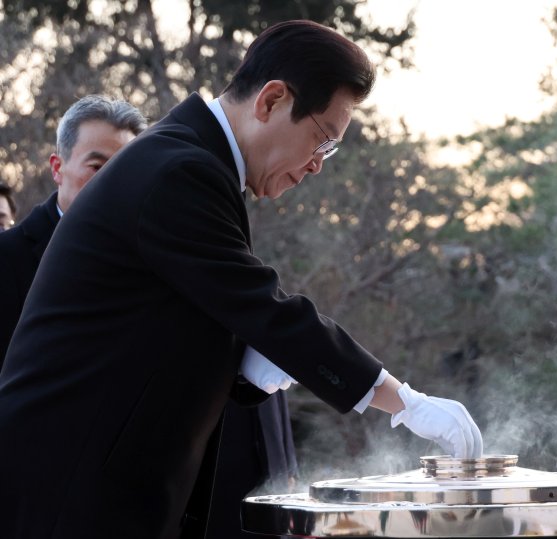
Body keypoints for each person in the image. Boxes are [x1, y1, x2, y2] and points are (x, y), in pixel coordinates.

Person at [0, 20, 482, 539]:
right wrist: (403, 401)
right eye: (322, 139)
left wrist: (242, 365)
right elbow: (267, 309)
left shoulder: (186, 159)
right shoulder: (180, 170)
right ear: (271, 100)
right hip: (68, 491)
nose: (318, 166)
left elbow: (170, 323)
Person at [0, 95, 147, 364]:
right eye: (97, 167)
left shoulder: (152, 260)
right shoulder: (8, 258)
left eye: (125, 169)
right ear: (57, 168)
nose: (113, 182)